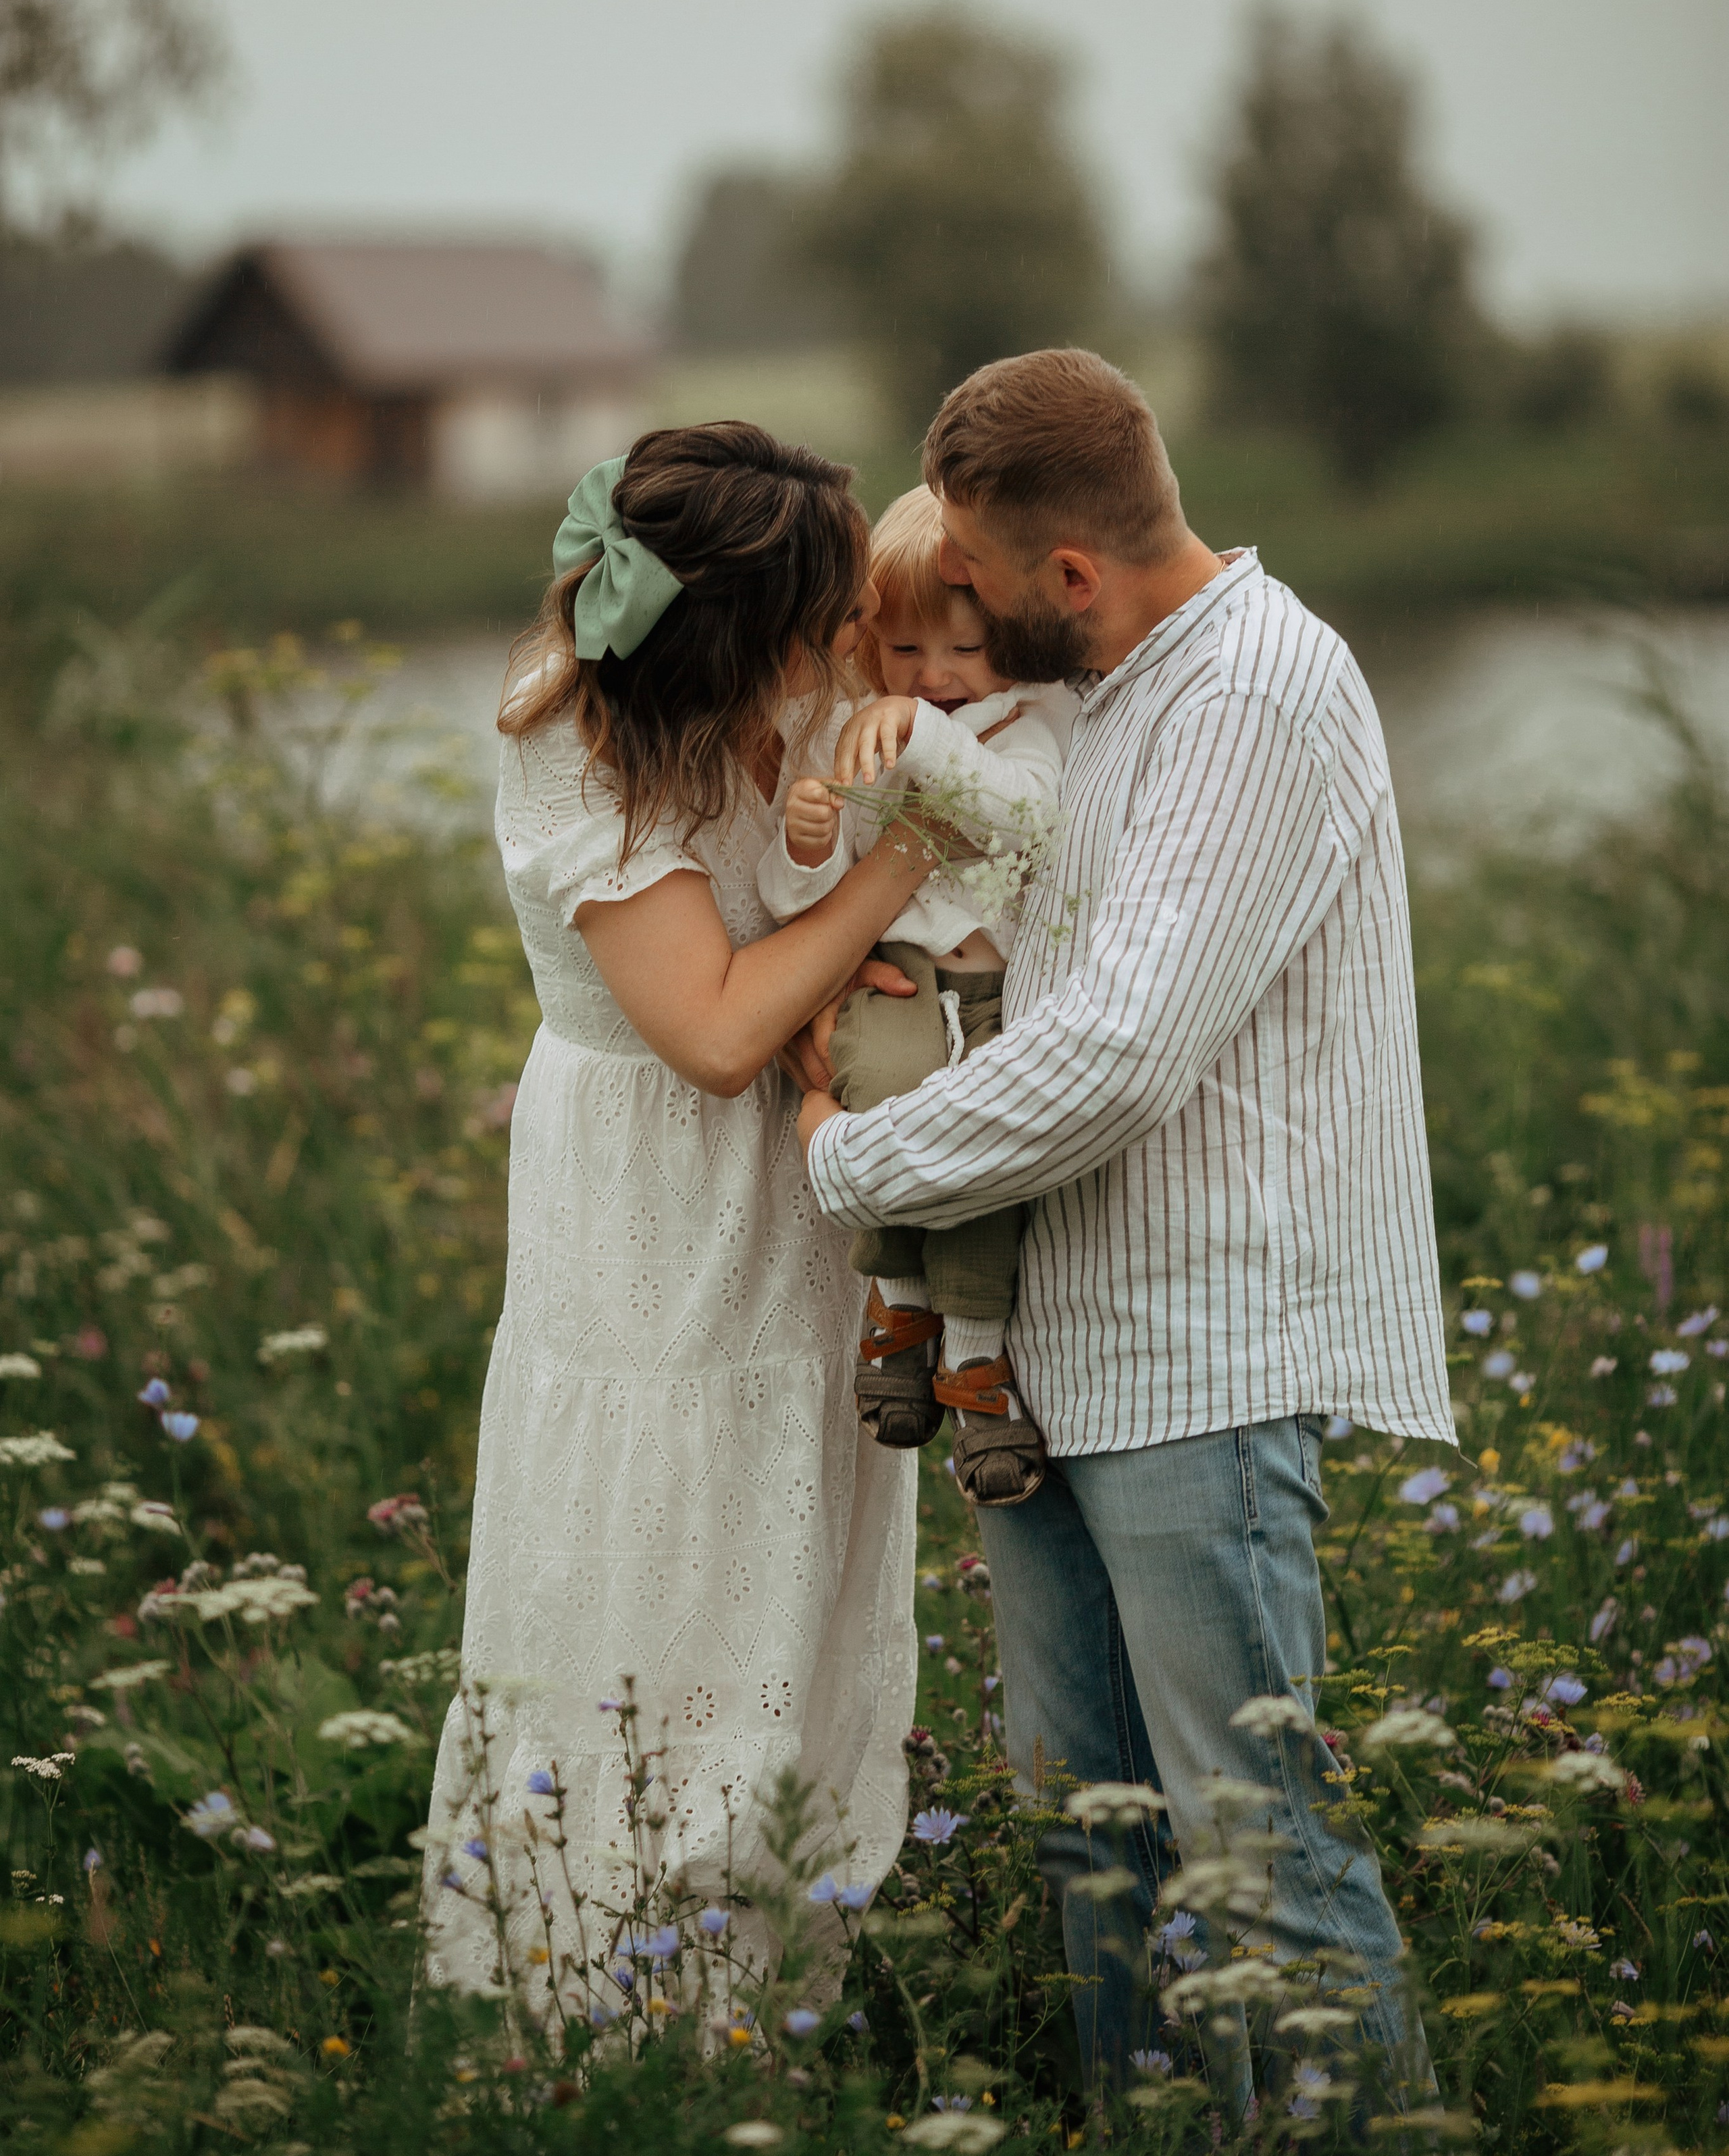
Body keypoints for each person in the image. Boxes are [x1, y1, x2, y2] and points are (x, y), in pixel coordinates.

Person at [791, 350, 1455, 2101]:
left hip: (1205, 1355)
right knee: (1098, 1849)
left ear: (1069, 573)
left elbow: (1118, 1056)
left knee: (1263, 1865)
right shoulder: (1100, 687)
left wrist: (854, 1165)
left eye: (986, 591)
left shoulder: (1252, 694)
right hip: (1057, 1357)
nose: (972, 625)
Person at [422, 423, 935, 2025]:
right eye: (825, 614)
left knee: (783, 1548)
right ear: (737, 638)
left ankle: (768, 1992)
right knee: (658, 1557)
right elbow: (712, 1034)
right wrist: (908, 859)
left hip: (785, 1206)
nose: (850, 636)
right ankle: (612, 2000)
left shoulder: (785, 683)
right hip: (655, 1207)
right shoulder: (576, 744)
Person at [756, 486, 1070, 1508]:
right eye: (905, 654)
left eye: (966, 652)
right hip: (893, 981)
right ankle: (898, 1307)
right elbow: (809, 893)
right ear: (871, 647)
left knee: (984, 1163)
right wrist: (806, 844)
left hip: (990, 994)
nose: (935, 679)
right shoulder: (858, 736)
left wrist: (921, 735)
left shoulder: (1024, 734)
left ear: (1014, 645)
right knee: (883, 1098)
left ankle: (977, 1364)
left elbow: (1018, 818)